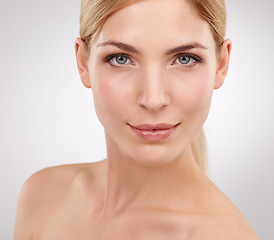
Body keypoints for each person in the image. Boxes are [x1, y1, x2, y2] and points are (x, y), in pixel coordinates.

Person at [14, 0, 259, 239]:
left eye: (185, 58)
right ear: (83, 63)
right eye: (120, 58)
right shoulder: (42, 196)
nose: (153, 99)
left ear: (221, 65)